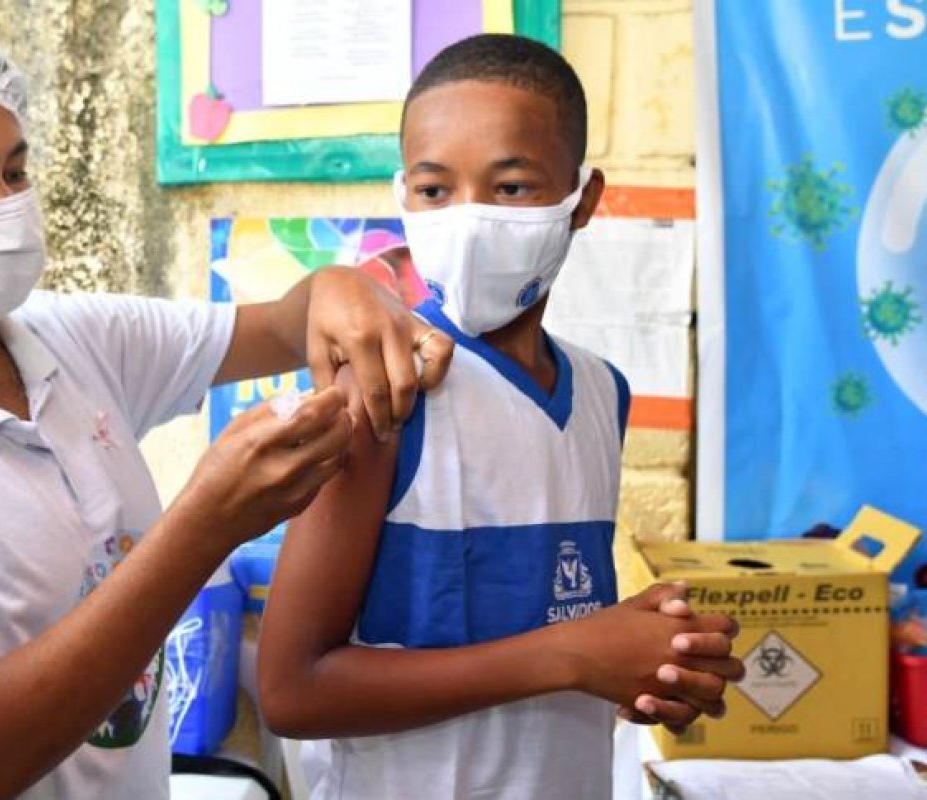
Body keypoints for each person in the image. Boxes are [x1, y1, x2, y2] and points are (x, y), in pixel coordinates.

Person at [0, 18, 457, 800]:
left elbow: (281, 325)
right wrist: (209, 521)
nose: (4, 206)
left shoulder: (66, 338)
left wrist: (341, 288)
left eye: (15, 172)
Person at [257, 34, 744, 799]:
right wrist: (573, 654)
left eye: (511, 187)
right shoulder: (381, 393)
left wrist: (646, 658)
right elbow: (292, 690)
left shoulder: (599, 391)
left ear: (582, 200)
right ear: (402, 195)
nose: (469, 219)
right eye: (434, 190)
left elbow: (552, 611)